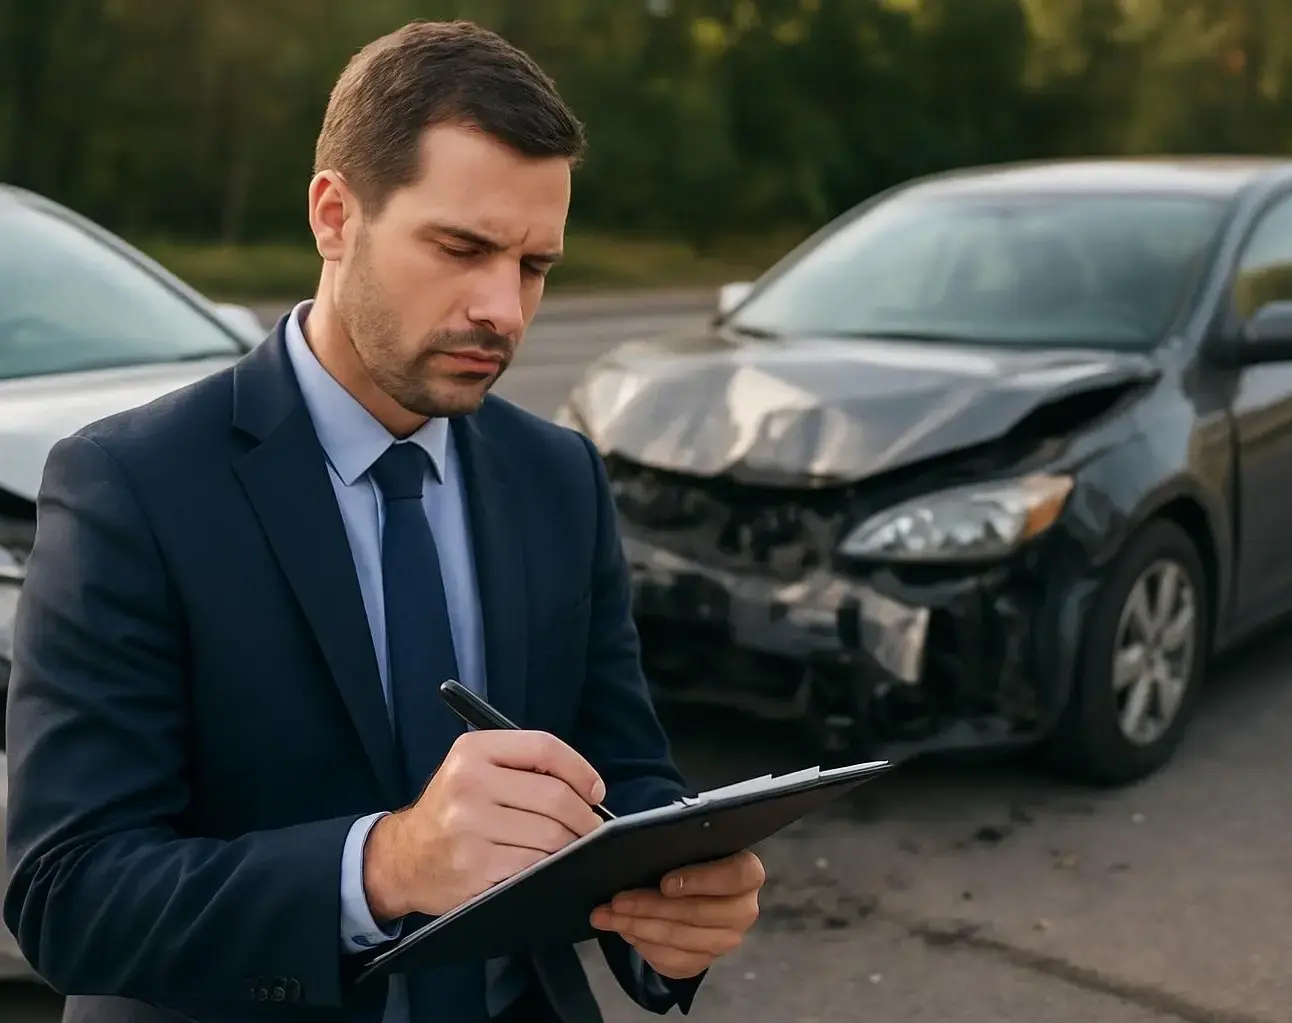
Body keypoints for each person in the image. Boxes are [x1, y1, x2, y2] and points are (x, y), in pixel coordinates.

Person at [3, 19, 765, 1023]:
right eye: (462, 247)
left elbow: (619, 772)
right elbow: (69, 897)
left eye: (536, 265)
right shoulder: (129, 486)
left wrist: (677, 902)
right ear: (334, 214)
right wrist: (385, 866)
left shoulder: (558, 476)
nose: (503, 307)